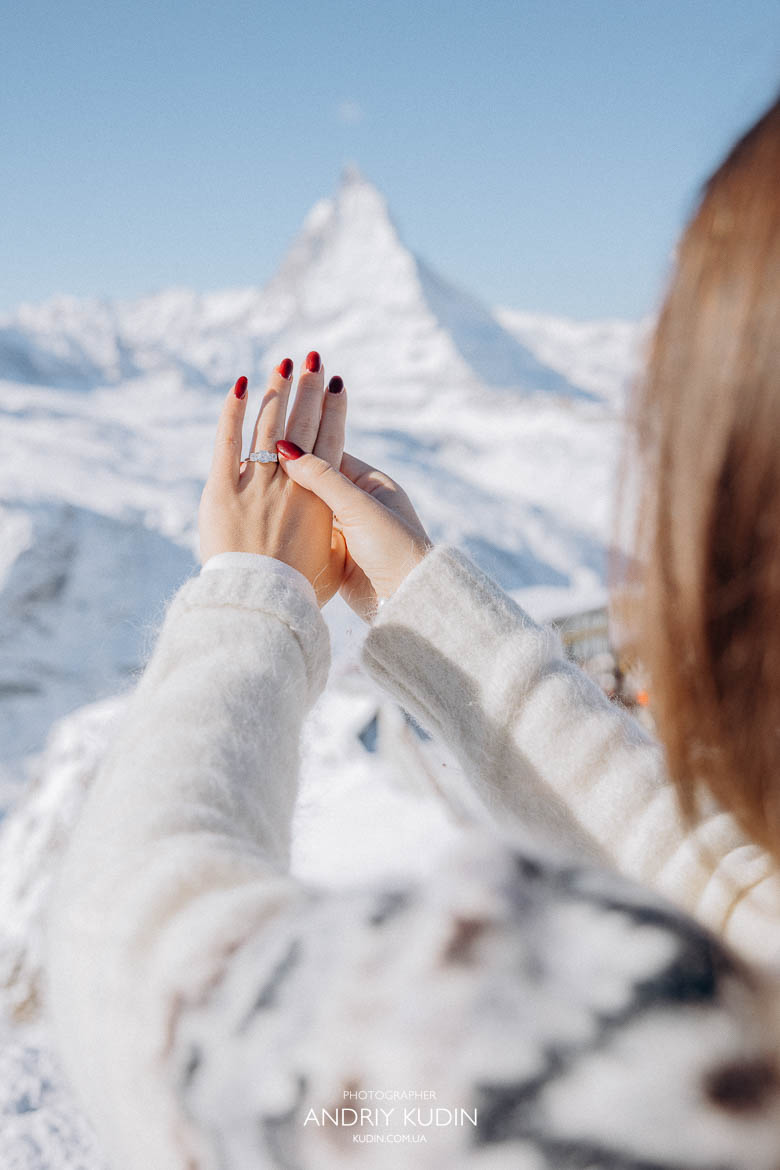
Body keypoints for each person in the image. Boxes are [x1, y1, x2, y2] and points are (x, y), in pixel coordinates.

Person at [43, 96, 780, 1170]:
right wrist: (430, 611)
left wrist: (252, 596)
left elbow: (131, 965)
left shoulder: (644, 1070)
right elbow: (744, 900)